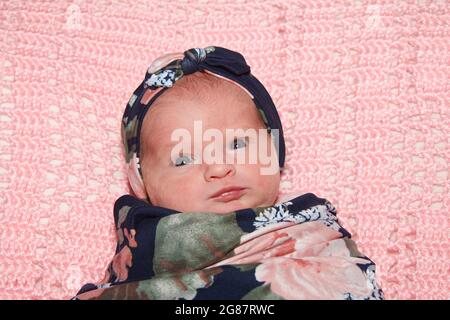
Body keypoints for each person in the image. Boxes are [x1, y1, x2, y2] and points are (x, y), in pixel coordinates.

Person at [72, 46, 384, 300]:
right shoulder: (139, 249)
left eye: (236, 143)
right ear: (141, 184)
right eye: (183, 159)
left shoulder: (313, 229)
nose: (220, 168)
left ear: (274, 150)